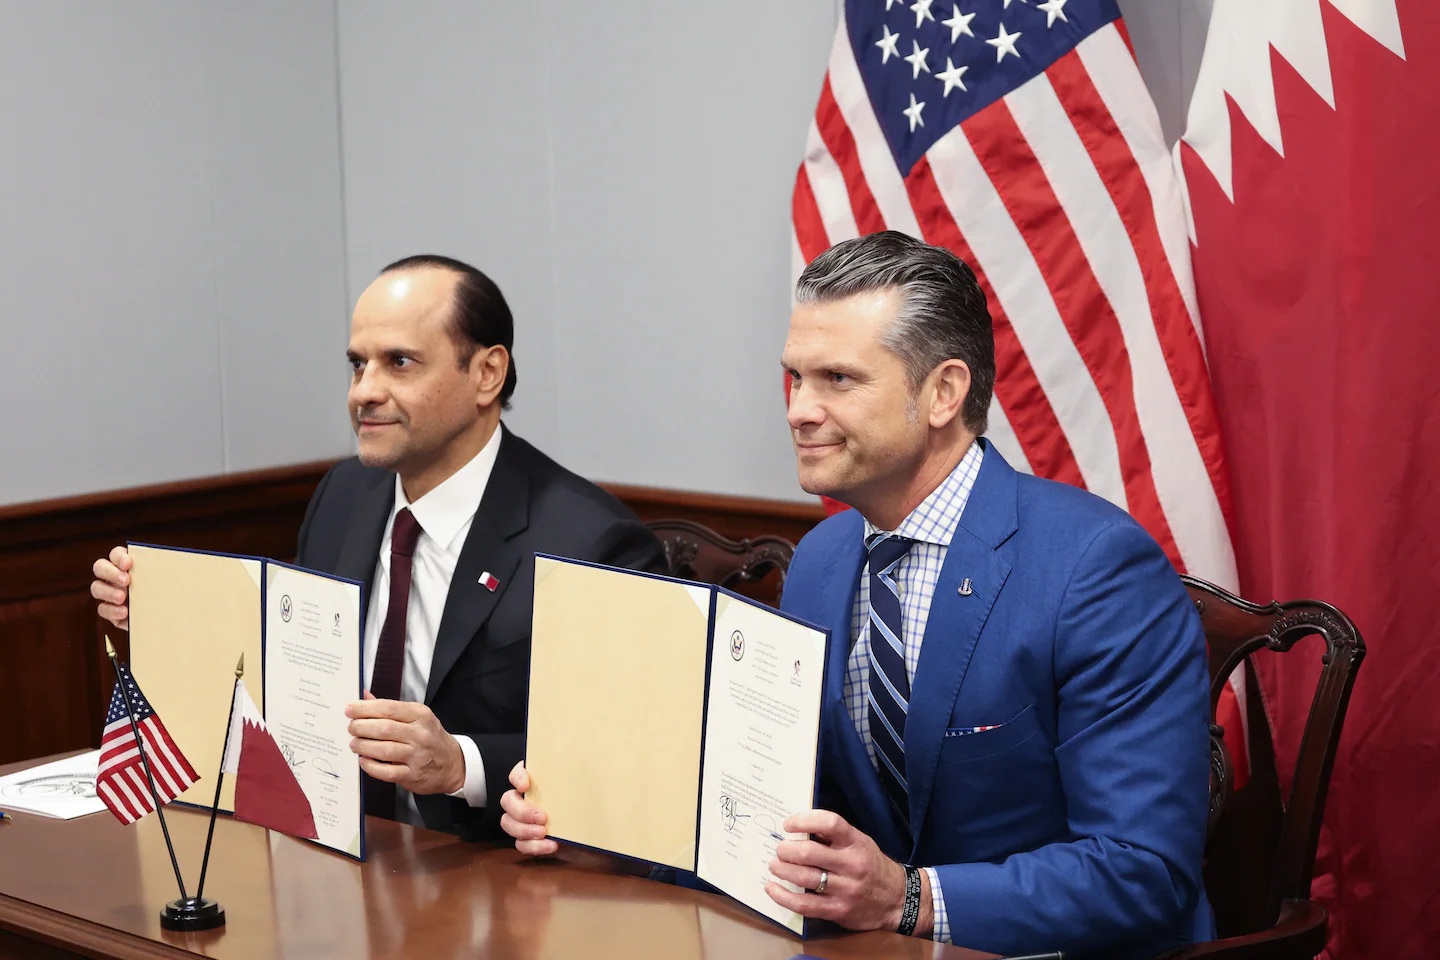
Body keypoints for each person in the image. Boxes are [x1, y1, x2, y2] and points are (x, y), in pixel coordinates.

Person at [499, 232, 1214, 959]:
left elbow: (1144, 870)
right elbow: (784, 811)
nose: (798, 410)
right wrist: (610, 837)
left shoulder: (1096, 567)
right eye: (795, 378)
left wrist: (911, 898)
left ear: (943, 392)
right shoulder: (823, 559)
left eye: (837, 379)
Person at [90, 254, 666, 840]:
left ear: (487, 374)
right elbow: (289, 665)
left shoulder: (591, 541)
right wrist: (168, 619)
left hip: (491, 862)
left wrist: (460, 766)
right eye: (357, 365)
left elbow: (626, 755)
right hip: (337, 846)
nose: (364, 392)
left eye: (399, 363)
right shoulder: (344, 495)